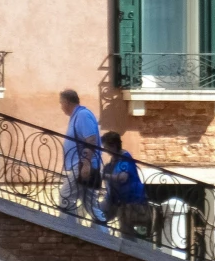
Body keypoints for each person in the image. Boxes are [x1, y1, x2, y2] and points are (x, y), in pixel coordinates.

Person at [58, 89, 102, 222]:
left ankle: (68, 231)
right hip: (82, 166)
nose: (61, 107)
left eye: (61, 103)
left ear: (66, 102)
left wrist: (86, 164)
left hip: (82, 166)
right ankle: (104, 235)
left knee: (65, 197)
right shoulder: (77, 116)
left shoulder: (82, 115)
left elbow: (91, 139)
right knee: (90, 204)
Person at [100, 132, 152, 241]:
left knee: (127, 234)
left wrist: (105, 176)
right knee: (99, 215)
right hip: (117, 200)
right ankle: (102, 240)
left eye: (106, 147)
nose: (105, 150)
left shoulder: (124, 158)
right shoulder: (114, 160)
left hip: (132, 202)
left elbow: (123, 177)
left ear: (113, 146)